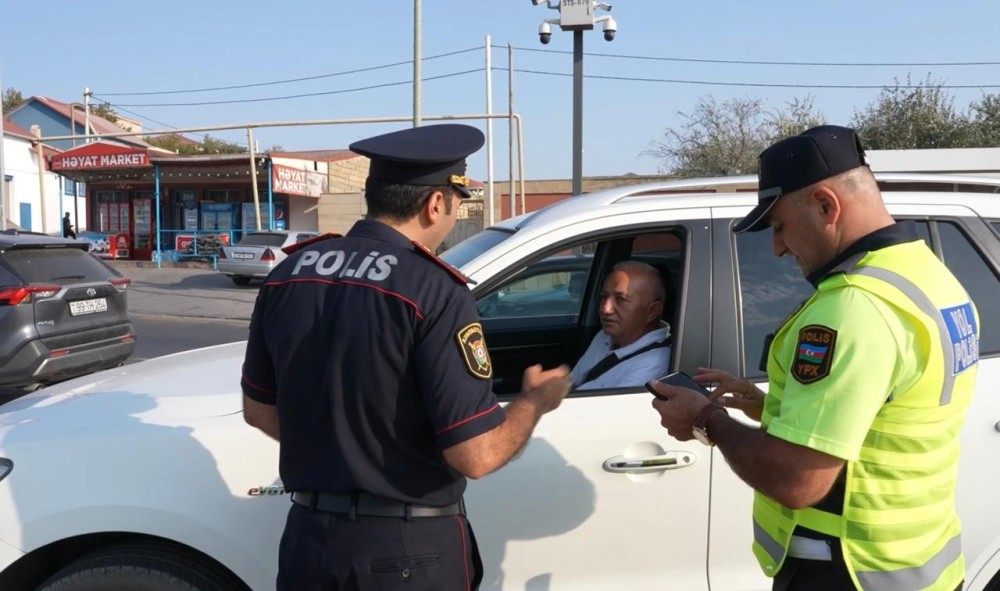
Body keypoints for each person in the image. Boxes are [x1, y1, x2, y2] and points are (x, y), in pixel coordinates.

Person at [241, 123, 572, 591]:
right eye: (457, 204)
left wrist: (342, 448)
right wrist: (534, 402)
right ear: (435, 204)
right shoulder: (433, 290)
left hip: (309, 544)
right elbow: (476, 456)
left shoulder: (289, 272)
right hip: (406, 552)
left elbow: (259, 409)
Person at [650, 125, 979, 591]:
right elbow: (885, 420)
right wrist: (767, 407)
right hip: (921, 566)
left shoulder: (854, 306)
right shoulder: (930, 277)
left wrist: (707, 419)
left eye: (780, 226)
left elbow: (798, 480)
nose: (778, 247)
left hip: (847, 571)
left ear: (827, 204)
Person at [571, 260, 671, 390]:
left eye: (621, 299)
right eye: (604, 296)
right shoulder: (604, 336)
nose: (605, 309)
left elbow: (603, 410)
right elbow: (572, 381)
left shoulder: (653, 364)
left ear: (652, 311)